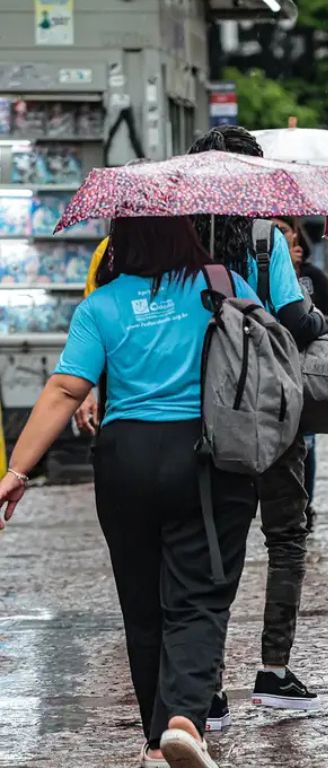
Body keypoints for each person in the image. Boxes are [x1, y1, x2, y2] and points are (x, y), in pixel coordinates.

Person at [0, 217, 260, 767]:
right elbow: (265, 355)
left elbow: (67, 387)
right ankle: (184, 720)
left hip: (125, 461)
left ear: (119, 244)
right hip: (205, 457)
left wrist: (18, 472)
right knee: (201, 594)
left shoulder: (101, 305)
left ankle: (153, 742)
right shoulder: (223, 284)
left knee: (142, 606)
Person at [188, 126, 328, 717]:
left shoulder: (178, 241)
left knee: (211, 546)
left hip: (203, 412)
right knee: (286, 537)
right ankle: (273, 672)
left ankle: (208, 684)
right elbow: (297, 321)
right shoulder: (268, 239)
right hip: (272, 414)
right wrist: (318, 320)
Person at [273, 216, 328, 531]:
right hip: (270, 368)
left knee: (305, 441)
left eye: (283, 230)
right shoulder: (261, 269)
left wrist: (324, 343)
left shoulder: (310, 277)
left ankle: (304, 506)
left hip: (301, 369)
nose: (276, 235)